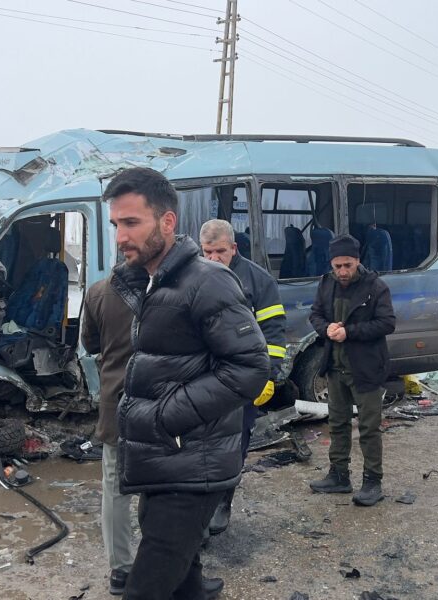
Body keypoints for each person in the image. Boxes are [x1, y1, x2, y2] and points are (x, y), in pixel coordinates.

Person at [105, 167, 269, 600]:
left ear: (167, 221)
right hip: (164, 460)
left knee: (146, 588)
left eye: (131, 222)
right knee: (184, 583)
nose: (121, 236)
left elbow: (251, 367)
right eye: (116, 224)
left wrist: (166, 417)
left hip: (194, 464)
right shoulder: (147, 281)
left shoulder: (208, 281)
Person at [199, 219, 287, 534]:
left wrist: (269, 376)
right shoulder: (193, 276)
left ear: (234, 248)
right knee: (200, 445)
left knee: (236, 443)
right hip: (203, 378)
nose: (213, 258)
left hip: (243, 378)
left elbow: (274, 333)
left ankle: (224, 501)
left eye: (220, 251)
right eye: (207, 252)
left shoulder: (258, 281)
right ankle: (199, 508)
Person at [307, 234, 396, 506]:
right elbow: (315, 314)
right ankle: (338, 475)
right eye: (338, 266)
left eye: (348, 265)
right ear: (331, 264)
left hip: (366, 369)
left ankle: (372, 481)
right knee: (337, 423)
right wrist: (326, 329)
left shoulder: (375, 287)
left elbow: (387, 323)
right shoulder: (326, 284)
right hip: (335, 368)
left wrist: (350, 332)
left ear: (358, 261)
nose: (343, 271)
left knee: (369, 427)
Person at [80, 275, 136, 596]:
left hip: (116, 399)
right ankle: (169, 563)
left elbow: (90, 344)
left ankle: (120, 569)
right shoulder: (175, 286)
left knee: (115, 486)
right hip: (164, 402)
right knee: (166, 485)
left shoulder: (99, 292)